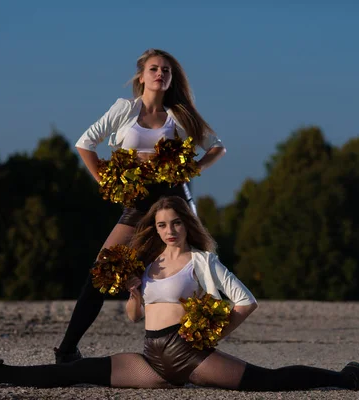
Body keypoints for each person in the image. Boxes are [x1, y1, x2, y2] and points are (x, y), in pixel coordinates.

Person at [0, 196, 359, 392]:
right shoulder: (150, 265)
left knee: (268, 381)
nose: (168, 230)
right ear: (153, 229)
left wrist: (213, 336)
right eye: (160, 225)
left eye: (175, 223)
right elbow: (135, 318)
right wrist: (135, 293)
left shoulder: (201, 261)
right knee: (75, 372)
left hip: (190, 354)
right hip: (151, 358)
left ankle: (349, 378)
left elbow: (246, 300)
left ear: (186, 225)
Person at [53, 48, 226, 363]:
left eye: (166, 71)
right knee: (101, 272)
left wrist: (192, 168)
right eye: (154, 69)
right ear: (141, 76)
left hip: (174, 200)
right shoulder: (124, 109)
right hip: (137, 202)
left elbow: (216, 147)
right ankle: (66, 351)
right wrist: (107, 181)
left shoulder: (180, 114)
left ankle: (196, 352)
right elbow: (85, 143)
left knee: (195, 276)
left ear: (171, 79)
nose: (160, 74)